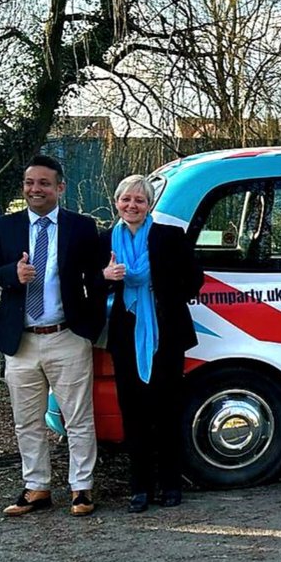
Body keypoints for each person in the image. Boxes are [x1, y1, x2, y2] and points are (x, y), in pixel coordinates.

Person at [0, 155, 105, 515]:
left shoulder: (81, 227)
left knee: (77, 418)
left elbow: (98, 279)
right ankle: (37, 487)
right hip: (20, 340)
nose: (35, 189)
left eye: (44, 183)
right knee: (27, 420)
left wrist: (90, 329)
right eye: (29, 183)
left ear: (60, 187)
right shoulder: (2, 227)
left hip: (67, 336)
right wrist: (11, 274)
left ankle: (81, 488)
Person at [100, 174, 203, 513]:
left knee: (167, 410)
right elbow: (86, 284)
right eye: (126, 199)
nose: (132, 206)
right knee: (134, 413)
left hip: (166, 334)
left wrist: (162, 293)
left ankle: (171, 484)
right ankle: (139, 488)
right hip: (125, 335)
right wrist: (106, 278)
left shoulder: (169, 236)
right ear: (117, 202)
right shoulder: (104, 241)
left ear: (149, 205)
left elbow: (194, 279)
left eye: (139, 200)